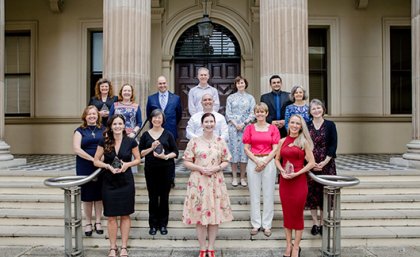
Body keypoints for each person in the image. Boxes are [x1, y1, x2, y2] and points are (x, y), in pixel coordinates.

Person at [182, 113, 233, 257]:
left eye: (211, 121)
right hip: (198, 181)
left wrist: (217, 167)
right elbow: (186, 161)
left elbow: (226, 159)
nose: (209, 124)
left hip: (216, 181)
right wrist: (199, 168)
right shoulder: (194, 141)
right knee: (199, 215)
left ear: (215, 123)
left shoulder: (220, 141)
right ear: (202, 124)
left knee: (214, 216)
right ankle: (202, 248)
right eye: (206, 122)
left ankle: (211, 247)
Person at [93, 114, 141, 257]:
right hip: (109, 182)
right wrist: (107, 166)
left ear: (124, 126)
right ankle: (113, 247)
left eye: (120, 124)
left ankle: (124, 247)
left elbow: (138, 159)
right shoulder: (104, 141)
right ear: (111, 126)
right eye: (115, 124)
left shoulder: (131, 141)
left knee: (125, 215)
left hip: (126, 181)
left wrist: (128, 164)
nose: (118, 126)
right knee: (111, 217)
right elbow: (96, 161)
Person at [275, 114, 315, 257]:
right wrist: (281, 171)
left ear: (301, 126)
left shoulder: (303, 142)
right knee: (287, 214)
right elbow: (277, 159)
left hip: (299, 182)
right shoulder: (282, 141)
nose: (294, 125)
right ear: (288, 124)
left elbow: (311, 163)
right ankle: (288, 245)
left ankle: (296, 247)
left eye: (297, 123)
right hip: (285, 181)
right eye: (292, 122)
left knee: (297, 215)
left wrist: (298, 173)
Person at [139, 109, 179, 236]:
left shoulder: (168, 134)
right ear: (151, 119)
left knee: (164, 197)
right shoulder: (145, 135)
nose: (157, 120)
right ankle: (153, 225)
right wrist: (151, 147)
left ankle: (163, 224)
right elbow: (140, 153)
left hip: (166, 168)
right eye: (154, 117)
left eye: (159, 117)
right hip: (150, 169)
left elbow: (175, 153)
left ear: (163, 119)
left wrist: (165, 156)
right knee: (152, 197)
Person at [242, 102, 280, 237]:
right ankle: (256, 224)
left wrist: (265, 161)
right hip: (254, 162)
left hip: (268, 162)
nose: (260, 114)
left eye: (262, 111)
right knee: (254, 194)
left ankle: (267, 225)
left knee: (269, 194)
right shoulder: (250, 128)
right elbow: (246, 148)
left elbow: (276, 148)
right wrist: (257, 160)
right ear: (255, 113)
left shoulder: (273, 129)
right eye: (257, 111)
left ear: (266, 113)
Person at [305, 99, 338, 236]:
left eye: (318, 108)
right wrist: (311, 162)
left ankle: (324, 223)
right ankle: (315, 223)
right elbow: (304, 144)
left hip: (327, 163)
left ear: (323, 109)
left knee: (324, 193)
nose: (316, 110)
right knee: (312, 194)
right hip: (311, 163)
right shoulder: (307, 125)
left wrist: (324, 162)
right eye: (313, 109)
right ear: (310, 112)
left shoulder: (330, 125)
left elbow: (333, 144)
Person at [73, 105, 105, 237]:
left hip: (100, 165)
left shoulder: (103, 129)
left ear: (98, 116)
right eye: (89, 114)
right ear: (85, 117)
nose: (92, 116)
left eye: (94, 114)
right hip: (84, 165)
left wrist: (100, 159)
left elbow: (107, 146)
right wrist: (93, 159)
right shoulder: (79, 130)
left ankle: (98, 221)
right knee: (87, 195)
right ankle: (88, 222)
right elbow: (76, 149)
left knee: (99, 195)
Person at [146, 75, 182, 187]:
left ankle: (171, 179)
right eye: (160, 83)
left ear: (167, 84)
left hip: (170, 130)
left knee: (170, 155)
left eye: (164, 83)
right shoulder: (151, 98)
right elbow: (149, 115)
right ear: (157, 85)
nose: (162, 85)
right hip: (155, 131)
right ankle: (157, 179)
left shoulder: (176, 98)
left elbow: (179, 114)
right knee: (156, 154)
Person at [225, 76, 256, 187]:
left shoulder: (250, 98)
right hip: (233, 128)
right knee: (234, 152)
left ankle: (242, 177)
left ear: (245, 84)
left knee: (244, 153)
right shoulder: (230, 98)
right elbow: (228, 113)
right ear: (236, 85)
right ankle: (234, 177)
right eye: (238, 83)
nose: (240, 85)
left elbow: (253, 113)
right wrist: (235, 124)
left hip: (246, 127)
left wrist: (243, 123)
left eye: (242, 82)